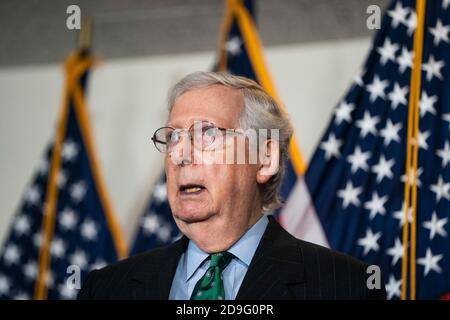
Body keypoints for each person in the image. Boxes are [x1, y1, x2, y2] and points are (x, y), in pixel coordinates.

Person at [78, 71, 386, 300]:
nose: (180, 155)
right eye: (173, 137)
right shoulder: (105, 289)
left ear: (265, 159)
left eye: (207, 133)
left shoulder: (346, 286)